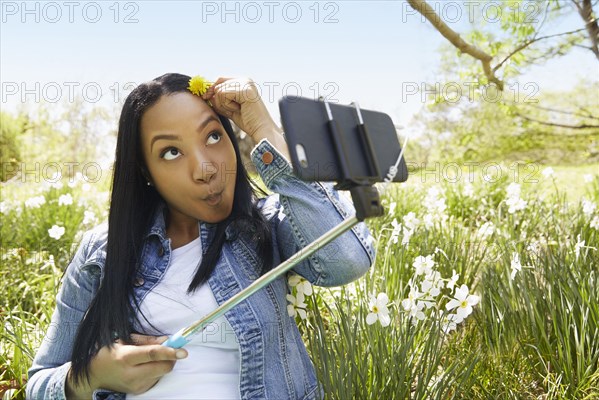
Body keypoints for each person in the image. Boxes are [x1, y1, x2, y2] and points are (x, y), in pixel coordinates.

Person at [26, 73, 376, 400]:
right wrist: (91, 375)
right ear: (146, 172)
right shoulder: (102, 252)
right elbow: (38, 382)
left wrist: (263, 126)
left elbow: (347, 260)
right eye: (171, 152)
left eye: (213, 136)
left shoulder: (267, 224)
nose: (205, 169)